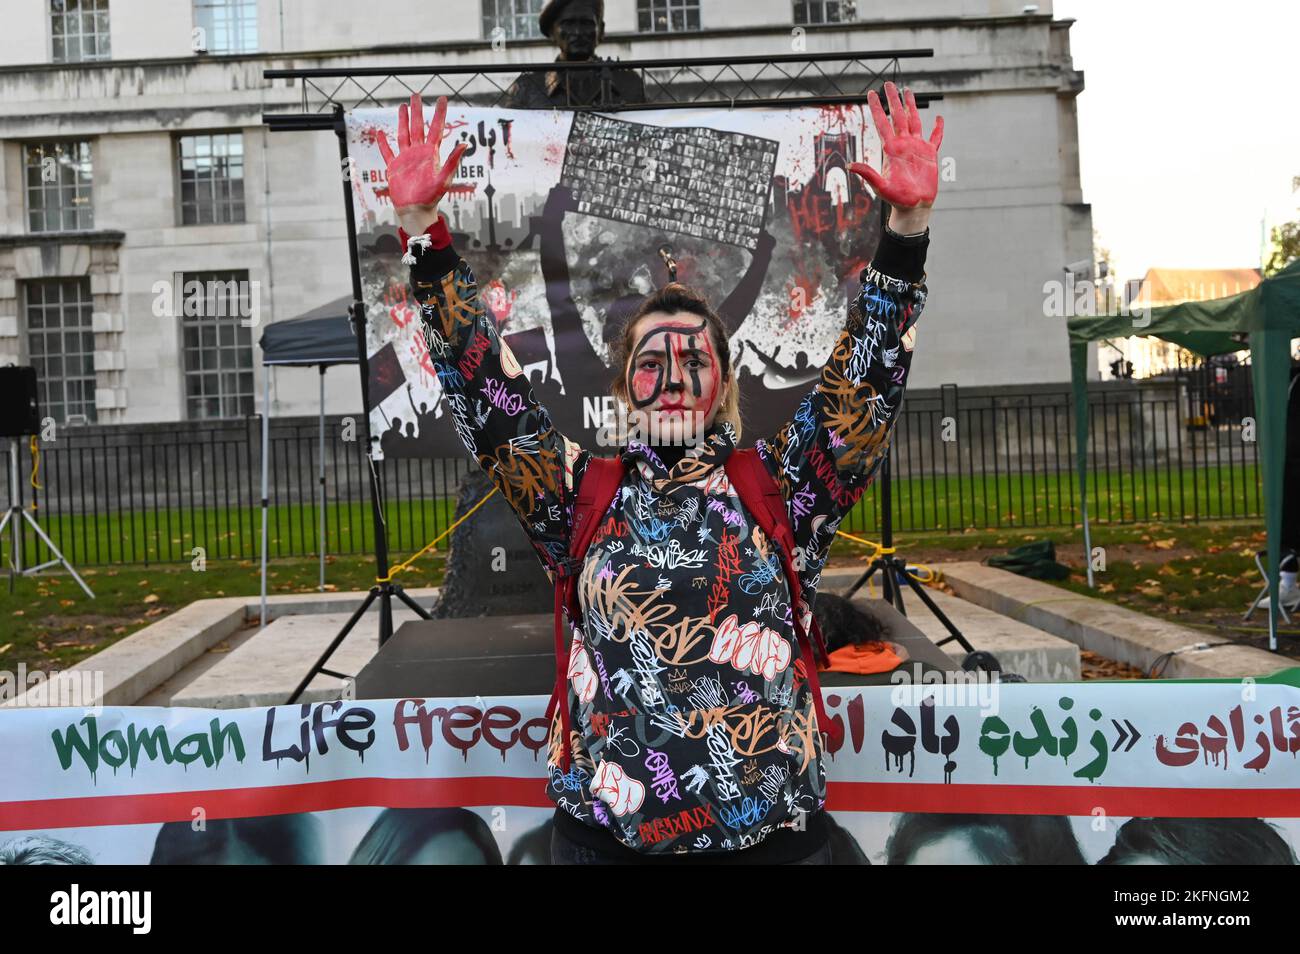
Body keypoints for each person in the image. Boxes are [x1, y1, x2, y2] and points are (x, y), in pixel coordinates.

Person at [379, 83, 943, 863]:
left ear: (724, 386)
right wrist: (424, 235)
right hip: (606, 847)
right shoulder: (578, 494)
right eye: (651, 360)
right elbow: (489, 393)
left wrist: (907, 232)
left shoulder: (781, 491)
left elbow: (864, 390)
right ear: (623, 389)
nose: (673, 375)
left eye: (693, 358)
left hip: (770, 845)